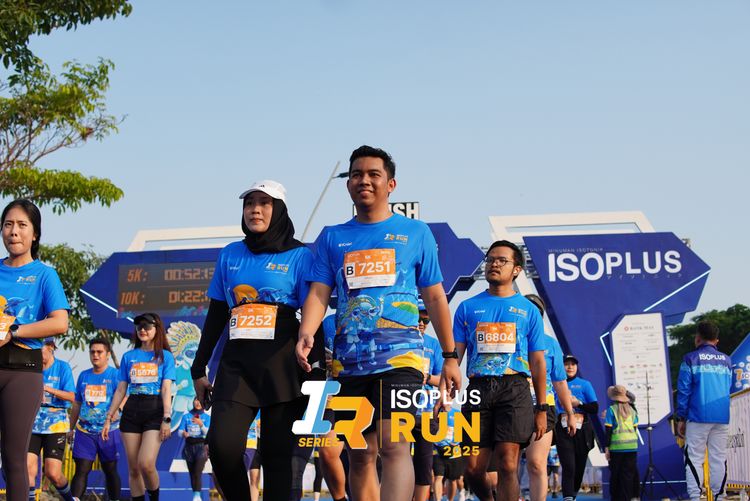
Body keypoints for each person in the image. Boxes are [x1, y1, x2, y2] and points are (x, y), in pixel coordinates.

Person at [296, 145, 462, 501]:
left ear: (391, 184)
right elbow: (319, 292)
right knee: (360, 453)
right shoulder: (332, 236)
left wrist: (450, 357)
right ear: (348, 184)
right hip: (349, 363)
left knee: (393, 444)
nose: (364, 181)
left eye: (374, 174)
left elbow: (435, 297)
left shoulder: (416, 233)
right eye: (357, 175)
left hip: (402, 358)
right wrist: (306, 332)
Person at [191, 180, 319, 501]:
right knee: (221, 448)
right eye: (249, 203)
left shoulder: (300, 255)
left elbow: (312, 311)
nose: (255, 210)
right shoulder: (230, 254)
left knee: (277, 457)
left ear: (279, 210)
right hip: (237, 366)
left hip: (283, 363)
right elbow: (217, 313)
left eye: (264, 203)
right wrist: (198, 367)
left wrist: (314, 361)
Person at [453, 240, 548, 501]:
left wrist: (541, 408)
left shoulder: (529, 311)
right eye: (490, 259)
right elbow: (454, 358)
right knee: (473, 469)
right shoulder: (466, 307)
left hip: (514, 389)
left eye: (502, 260)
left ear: (516, 269)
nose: (494, 264)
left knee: (508, 464)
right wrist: (443, 392)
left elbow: (538, 362)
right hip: (478, 390)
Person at [0, 198, 69, 501]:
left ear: (35, 233)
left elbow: (60, 322)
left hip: (23, 372)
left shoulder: (45, 275)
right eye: (8, 224)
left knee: (14, 457)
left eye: (21, 225)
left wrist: (13, 332)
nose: (13, 231)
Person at [103, 312, 175, 501]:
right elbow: (121, 389)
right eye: (139, 326)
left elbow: (166, 388)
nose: (142, 330)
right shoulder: (128, 357)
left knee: (146, 463)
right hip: (132, 410)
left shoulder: (166, 357)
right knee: (134, 468)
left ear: (157, 329)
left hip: (155, 410)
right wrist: (109, 416)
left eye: (147, 326)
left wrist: (167, 418)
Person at [522, 294, 575, 501]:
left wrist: (570, 413)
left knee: (536, 463)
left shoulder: (550, 344)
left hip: (543, 408)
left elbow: (560, 382)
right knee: (508, 465)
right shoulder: (509, 338)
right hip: (512, 406)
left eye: (534, 311)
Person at [676, 320, 732, 501]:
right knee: (718, 458)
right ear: (717, 340)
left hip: (697, 416)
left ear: (697, 338)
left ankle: (695, 497)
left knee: (694, 458)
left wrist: (681, 417)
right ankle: (719, 497)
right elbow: (728, 387)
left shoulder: (690, 359)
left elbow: (684, 390)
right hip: (721, 416)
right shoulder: (727, 360)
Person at [69, 337, 122, 501]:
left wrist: (117, 410)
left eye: (99, 352)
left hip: (109, 431)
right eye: (92, 352)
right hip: (85, 431)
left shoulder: (115, 375)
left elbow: (124, 396)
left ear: (108, 354)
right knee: (81, 469)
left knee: (110, 469)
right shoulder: (83, 375)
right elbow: (77, 403)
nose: (95, 355)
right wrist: (70, 428)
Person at [27, 338, 75, 501]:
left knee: (52, 473)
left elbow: (71, 396)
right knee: (28, 468)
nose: (35, 354)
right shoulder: (31, 367)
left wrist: (48, 389)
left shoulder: (62, 367)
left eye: (39, 350)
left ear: (51, 347)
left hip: (56, 425)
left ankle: (70, 499)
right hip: (33, 424)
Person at [555, 354, 598, 501]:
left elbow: (594, 408)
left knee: (579, 467)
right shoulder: (555, 384)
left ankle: (572, 495)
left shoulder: (585, 384)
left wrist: (579, 403)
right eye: (566, 364)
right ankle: (568, 497)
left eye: (573, 364)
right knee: (569, 466)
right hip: (563, 429)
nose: (570, 367)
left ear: (577, 367)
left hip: (582, 430)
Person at [414, 301, 443, 501]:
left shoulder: (433, 344)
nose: (422, 323)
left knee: (424, 466)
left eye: (426, 320)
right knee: (397, 459)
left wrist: (426, 378)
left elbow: (442, 379)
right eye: (418, 318)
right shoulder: (395, 340)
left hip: (425, 412)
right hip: (399, 409)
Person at [604, 384, 639, 501]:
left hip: (616, 448)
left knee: (616, 475)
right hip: (632, 447)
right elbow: (635, 428)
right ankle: (628, 498)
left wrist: (606, 447)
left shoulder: (611, 410)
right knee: (628, 476)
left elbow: (608, 430)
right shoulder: (632, 410)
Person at [179, 397, 210, 501]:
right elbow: (180, 431)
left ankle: (197, 497)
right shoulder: (186, 416)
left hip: (201, 447)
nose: (198, 402)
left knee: (197, 472)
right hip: (189, 447)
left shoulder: (207, 417)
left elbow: (207, 433)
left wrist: (201, 424)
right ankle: (196, 495)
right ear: (193, 401)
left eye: (200, 400)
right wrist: (183, 433)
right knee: (192, 473)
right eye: (196, 400)